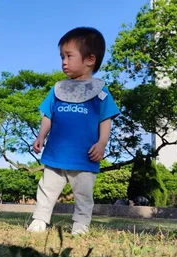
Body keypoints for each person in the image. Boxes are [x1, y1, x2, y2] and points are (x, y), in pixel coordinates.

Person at [26, 27, 120, 235]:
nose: (64, 62)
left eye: (69, 56)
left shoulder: (100, 92)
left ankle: (81, 224)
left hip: (85, 156)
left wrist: (102, 143)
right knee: (46, 188)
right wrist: (41, 135)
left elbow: (106, 119)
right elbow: (47, 115)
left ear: (90, 60)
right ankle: (40, 219)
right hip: (56, 154)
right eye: (62, 57)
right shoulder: (57, 89)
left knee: (84, 194)